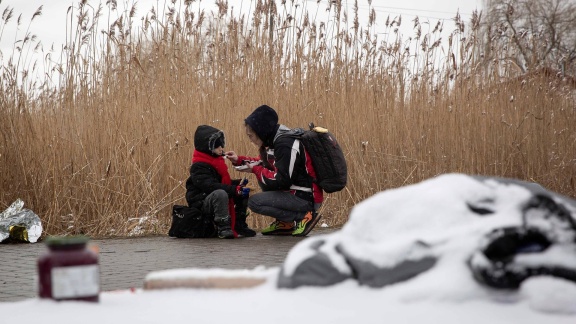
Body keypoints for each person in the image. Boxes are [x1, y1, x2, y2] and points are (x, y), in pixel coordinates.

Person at [225, 105, 323, 236]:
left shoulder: (285, 144)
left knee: (254, 202)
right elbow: (262, 163)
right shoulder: (274, 141)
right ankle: (285, 223)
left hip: (305, 197)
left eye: (251, 135)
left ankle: (304, 216)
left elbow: (282, 180)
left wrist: (257, 170)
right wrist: (238, 160)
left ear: (261, 131)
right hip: (296, 193)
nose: (250, 139)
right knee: (264, 178)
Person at [185, 125, 256, 239]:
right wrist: (234, 189)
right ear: (207, 147)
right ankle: (223, 226)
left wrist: (238, 185)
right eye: (217, 146)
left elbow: (221, 183)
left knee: (242, 191)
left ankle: (239, 223)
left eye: (221, 145)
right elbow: (210, 186)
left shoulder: (216, 162)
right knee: (221, 193)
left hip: (212, 197)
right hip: (201, 203)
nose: (221, 148)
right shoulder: (198, 166)